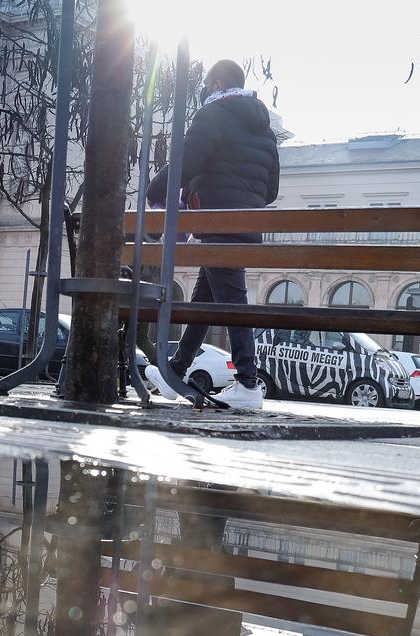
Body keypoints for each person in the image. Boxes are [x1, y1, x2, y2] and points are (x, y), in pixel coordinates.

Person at [144, 59, 280, 412]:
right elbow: (271, 190)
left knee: (233, 301)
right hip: (246, 225)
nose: (204, 90)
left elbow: (184, 163)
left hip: (218, 225)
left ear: (218, 83)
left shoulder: (212, 115)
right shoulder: (265, 130)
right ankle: (175, 371)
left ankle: (249, 384)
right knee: (205, 300)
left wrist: (154, 189)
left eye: (206, 84)